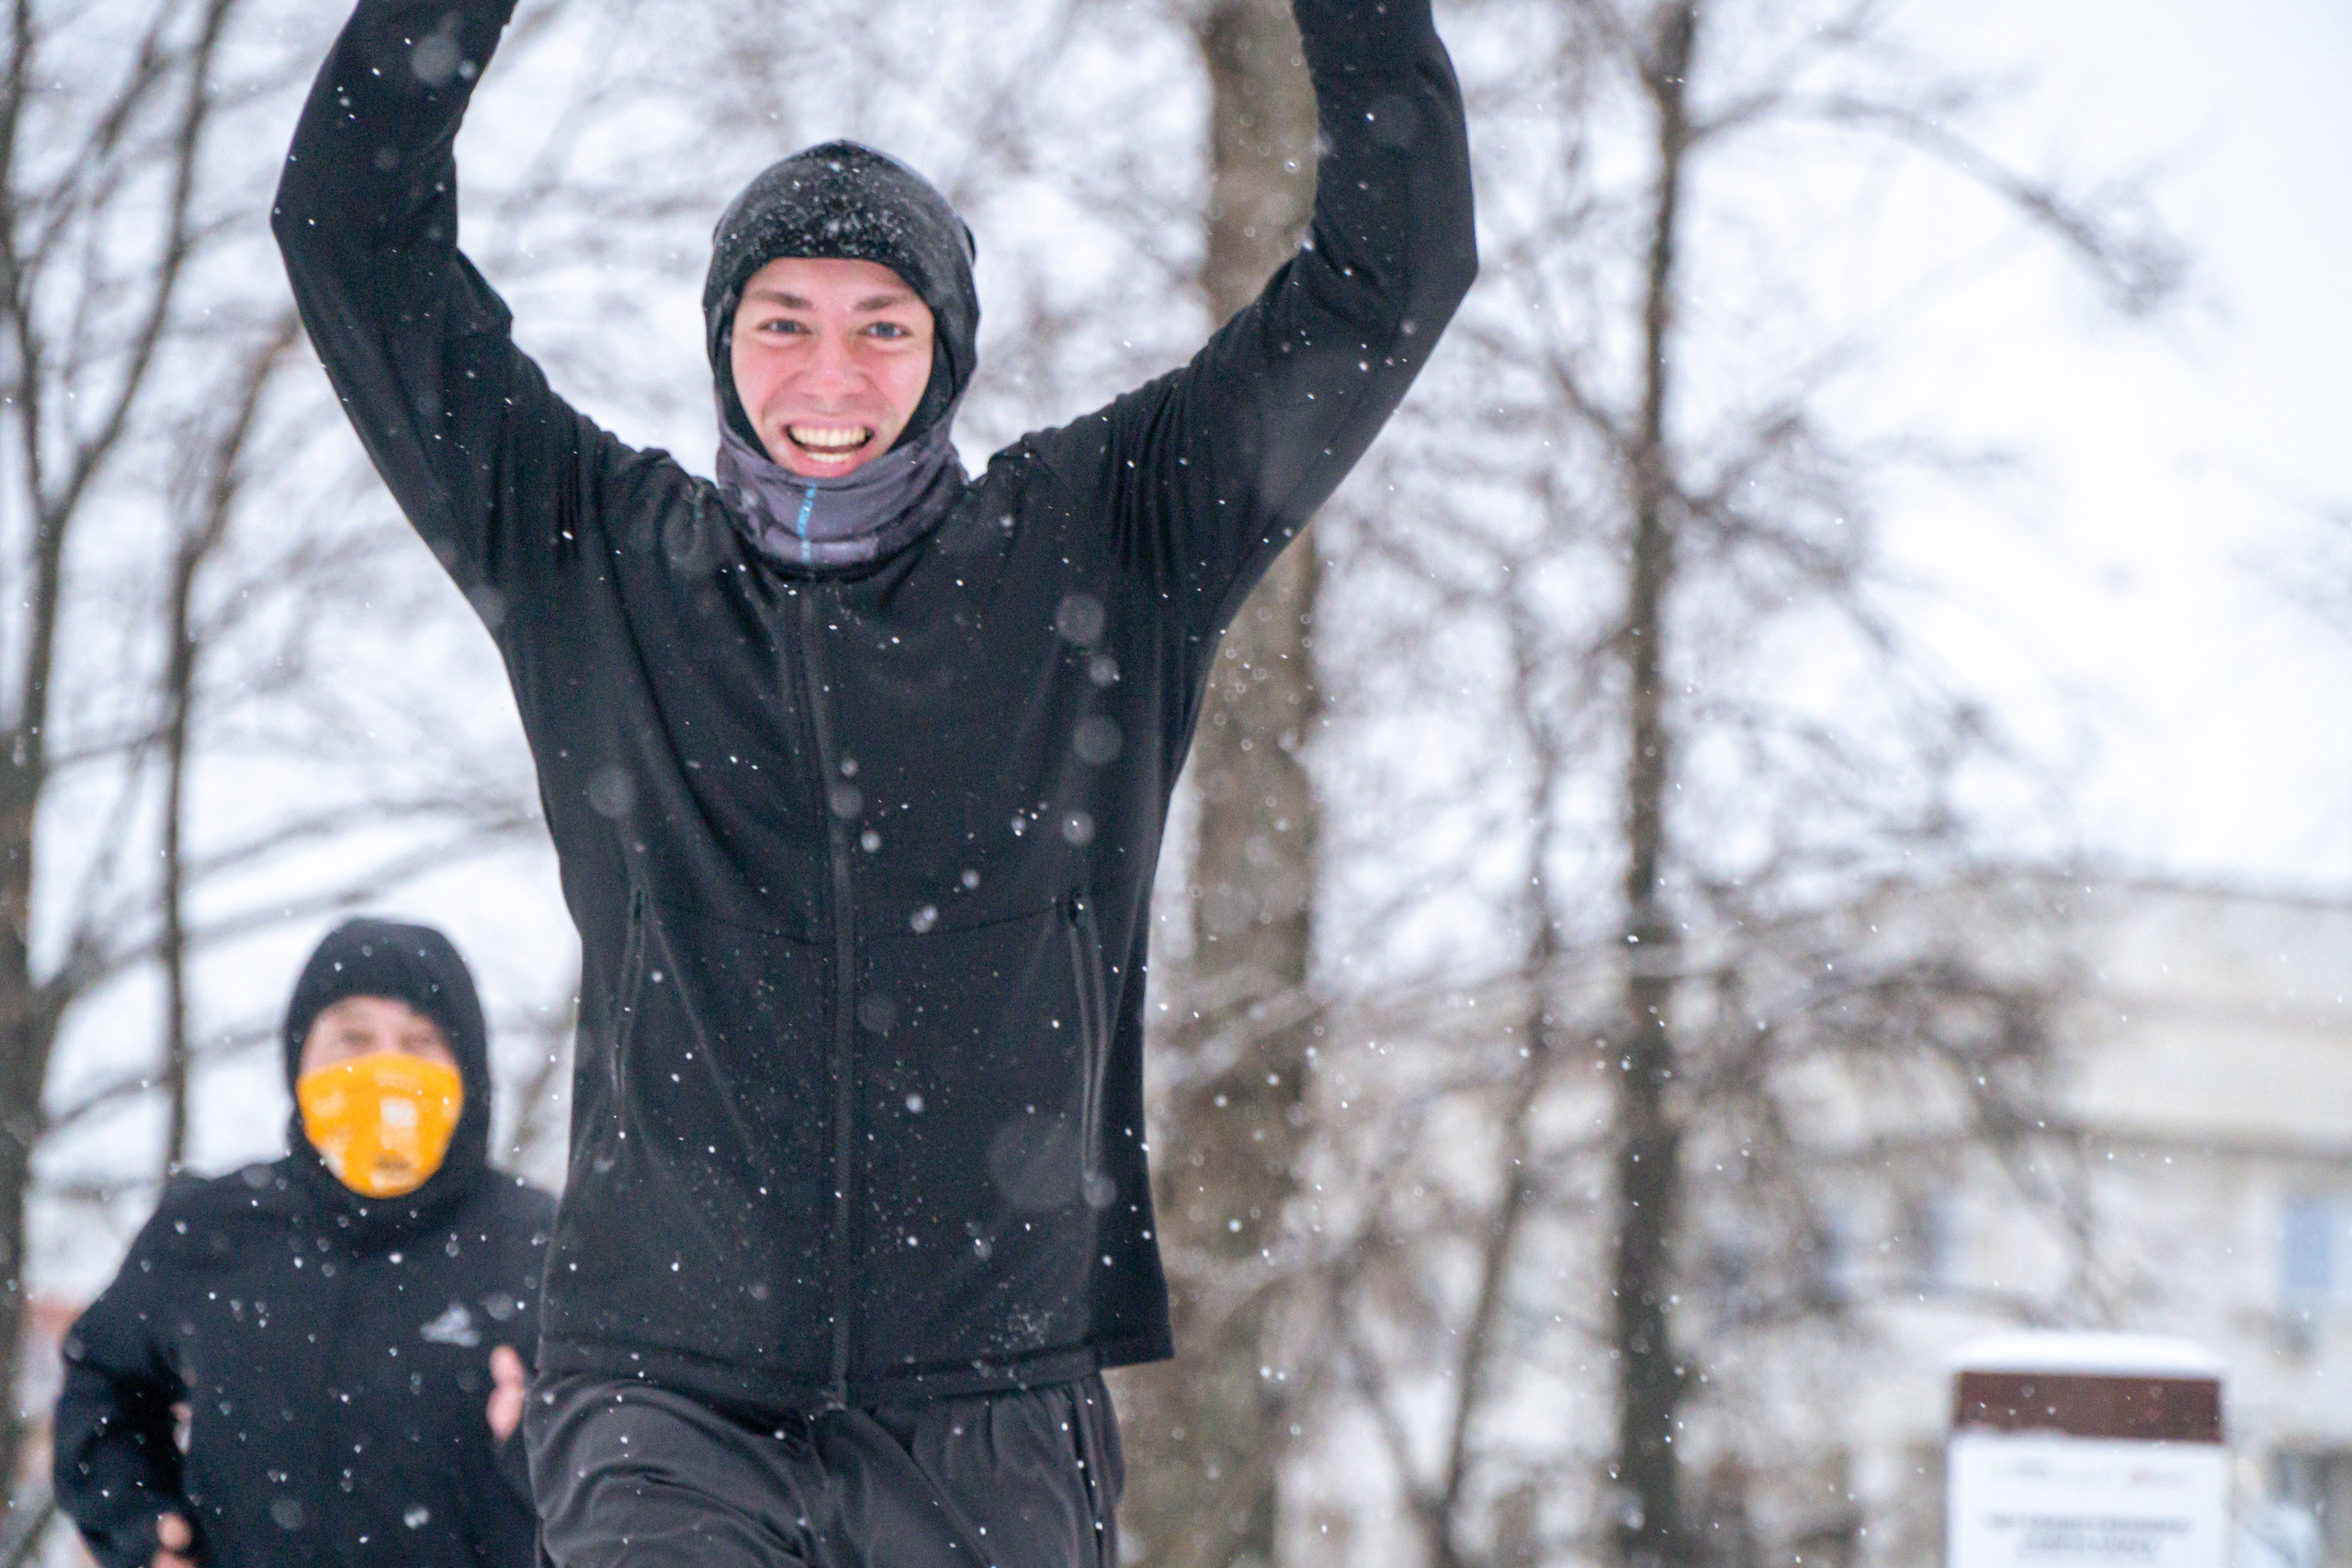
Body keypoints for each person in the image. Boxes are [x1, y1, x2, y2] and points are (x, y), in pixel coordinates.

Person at [273, 0, 1474, 1561]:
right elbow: (349, 232)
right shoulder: (595, 558)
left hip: (991, 1404)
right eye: (782, 318)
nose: (828, 368)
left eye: (880, 323)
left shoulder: (1102, 542)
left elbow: (1391, 278)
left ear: (946, 348)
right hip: (665, 1389)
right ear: (723, 341)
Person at [52, 919, 554, 1568]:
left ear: (468, 1070)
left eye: (420, 1040)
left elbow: (624, 1464)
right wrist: (144, 1528)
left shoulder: (542, 1246)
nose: (385, 1067)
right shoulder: (213, 1230)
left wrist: (540, 1451)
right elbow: (103, 1381)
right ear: (299, 1057)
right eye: (353, 1036)